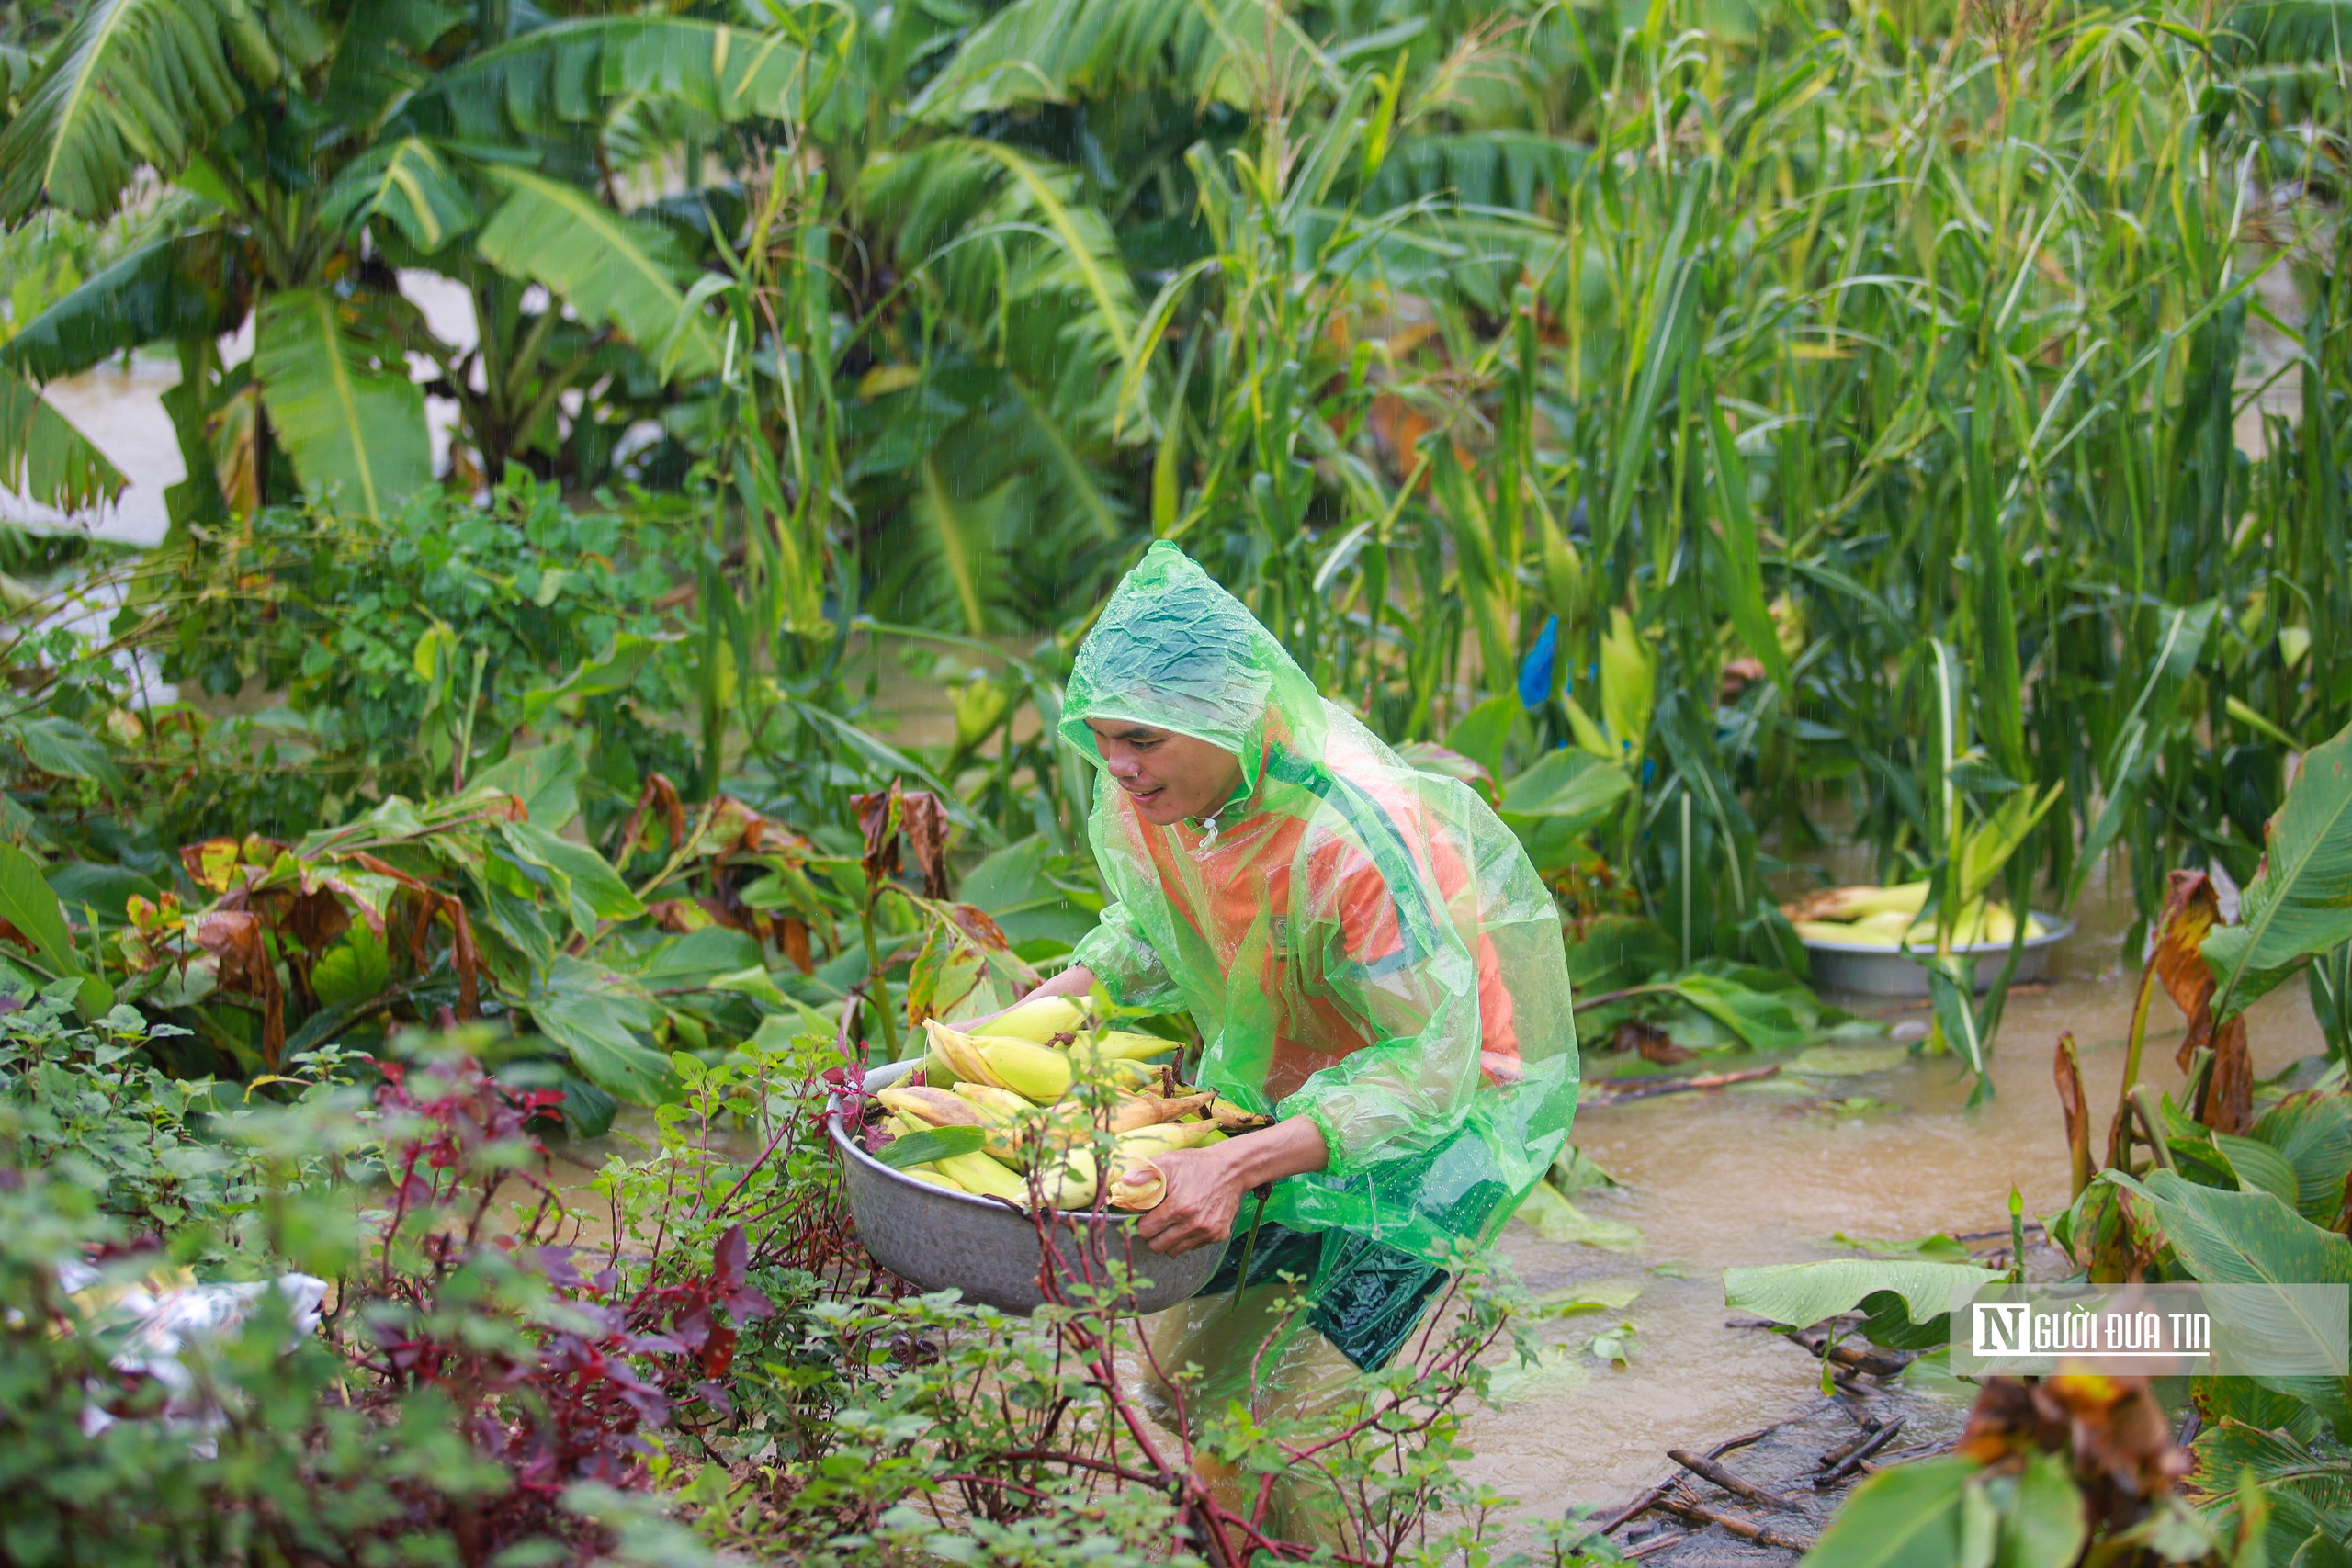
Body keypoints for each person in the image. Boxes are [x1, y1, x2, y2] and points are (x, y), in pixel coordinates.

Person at [995, 543, 1579, 1545]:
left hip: (1433, 1138)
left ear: (1226, 711)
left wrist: (1235, 1161)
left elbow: (1428, 1073)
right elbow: (1149, 933)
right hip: (1273, 1108)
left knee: (1276, 1428)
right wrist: (993, 1036)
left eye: (1140, 737)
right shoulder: (1157, 801)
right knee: (1178, 1387)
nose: (1118, 765)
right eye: (1100, 740)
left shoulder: (1351, 837)